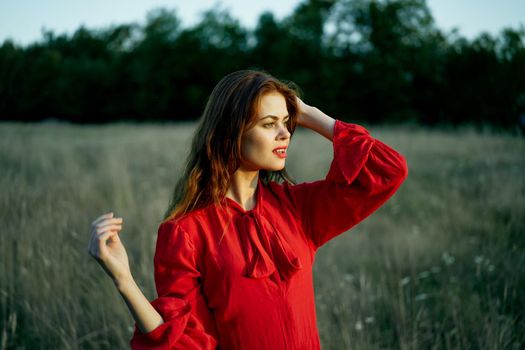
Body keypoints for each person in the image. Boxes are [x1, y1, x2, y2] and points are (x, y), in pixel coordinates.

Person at [87, 69, 408, 349]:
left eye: (288, 122)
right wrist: (124, 279)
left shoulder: (297, 208)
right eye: (269, 124)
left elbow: (388, 171)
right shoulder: (185, 233)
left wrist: (309, 113)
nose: (285, 134)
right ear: (231, 131)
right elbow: (188, 343)